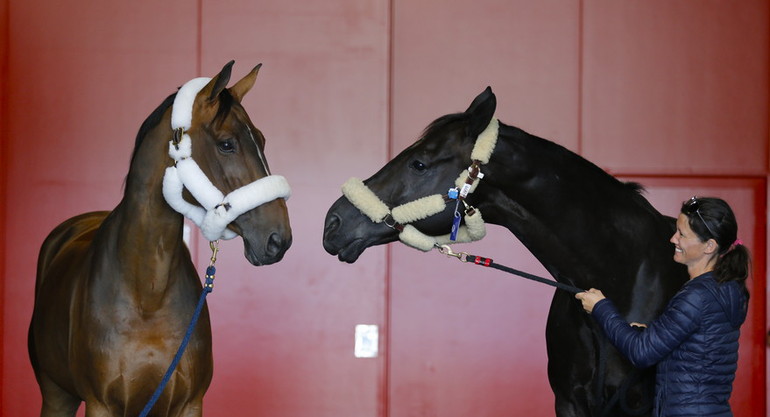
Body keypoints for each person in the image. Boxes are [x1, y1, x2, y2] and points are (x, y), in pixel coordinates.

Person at [576, 196, 750, 417]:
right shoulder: (727, 288)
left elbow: (641, 353)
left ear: (709, 246)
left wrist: (601, 308)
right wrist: (651, 334)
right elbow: (699, 345)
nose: (672, 239)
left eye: (682, 234)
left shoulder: (697, 295)